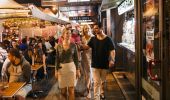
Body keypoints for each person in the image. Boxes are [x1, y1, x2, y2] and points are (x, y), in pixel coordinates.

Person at [83, 24, 116, 100]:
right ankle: (96, 98)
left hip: (104, 64)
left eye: (97, 28)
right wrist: (78, 46)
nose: (95, 30)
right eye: (94, 28)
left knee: (102, 82)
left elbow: (112, 50)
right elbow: (87, 47)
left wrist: (112, 60)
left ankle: (102, 92)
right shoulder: (93, 39)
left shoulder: (108, 39)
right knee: (96, 82)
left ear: (101, 28)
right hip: (95, 64)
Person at [55, 28, 80, 100]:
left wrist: (77, 70)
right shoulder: (58, 46)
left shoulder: (73, 45)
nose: (68, 35)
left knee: (71, 90)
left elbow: (76, 59)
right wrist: (56, 71)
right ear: (63, 35)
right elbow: (57, 59)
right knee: (63, 91)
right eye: (67, 33)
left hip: (71, 69)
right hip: (61, 69)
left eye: (69, 33)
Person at [80, 24, 93, 99]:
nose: (87, 30)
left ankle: (89, 92)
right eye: (85, 29)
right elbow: (81, 48)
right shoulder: (82, 38)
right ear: (83, 30)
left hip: (92, 57)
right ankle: (88, 87)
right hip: (84, 58)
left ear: (89, 29)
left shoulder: (93, 37)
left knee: (89, 74)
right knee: (86, 75)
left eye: (88, 28)